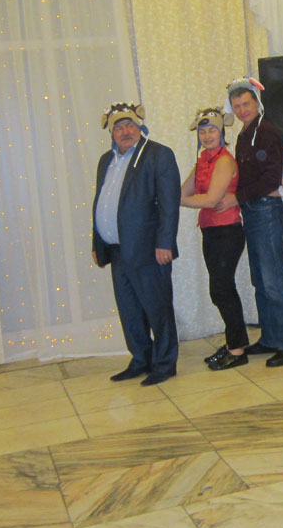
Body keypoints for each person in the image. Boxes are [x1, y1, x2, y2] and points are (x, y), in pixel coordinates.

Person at [91, 103, 182, 386]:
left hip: (150, 250)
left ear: (139, 127)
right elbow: (102, 202)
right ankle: (141, 359)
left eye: (129, 125)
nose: (125, 131)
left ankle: (164, 364)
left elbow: (169, 204)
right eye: (118, 127)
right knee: (130, 310)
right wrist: (97, 242)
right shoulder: (106, 160)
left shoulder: (158, 155)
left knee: (157, 308)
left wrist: (165, 243)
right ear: (111, 133)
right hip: (117, 250)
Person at [227, 77, 283, 368]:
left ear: (257, 103)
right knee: (260, 279)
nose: (242, 110)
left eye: (246, 104)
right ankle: (271, 337)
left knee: (273, 280)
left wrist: (236, 198)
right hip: (252, 210)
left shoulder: (267, 131)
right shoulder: (244, 134)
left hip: (265, 211)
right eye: (237, 106)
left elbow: (271, 180)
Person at [180, 106, 249, 371]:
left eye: (212, 130)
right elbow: (182, 193)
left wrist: (184, 200)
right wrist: (183, 198)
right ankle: (234, 342)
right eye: (203, 132)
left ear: (221, 132)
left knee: (222, 289)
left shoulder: (224, 161)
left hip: (227, 231)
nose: (207, 136)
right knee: (219, 290)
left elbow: (210, 200)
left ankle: (237, 349)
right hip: (210, 231)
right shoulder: (202, 161)